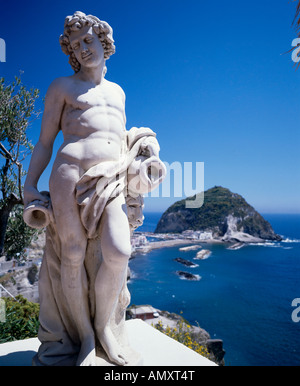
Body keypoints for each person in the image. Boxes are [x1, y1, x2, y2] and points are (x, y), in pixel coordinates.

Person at [24, 12, 164, 366]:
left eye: (88, 40)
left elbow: (118, 137)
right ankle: (85, 338)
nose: (83, 49)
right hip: (68, 173)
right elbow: (44, 143)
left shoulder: (118, 91)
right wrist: (29, 183)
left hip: (111, 179)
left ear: (103, 41)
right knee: (71, 255)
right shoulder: (62, 87)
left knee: (118, 252)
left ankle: (105, 329)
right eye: (75, 45)